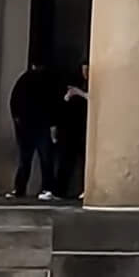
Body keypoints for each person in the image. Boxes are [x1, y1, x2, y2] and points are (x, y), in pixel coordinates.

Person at [7, 62, 56, 200]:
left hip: (27, 126)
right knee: (45, 159)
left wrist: (18, 120)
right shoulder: (48, 81)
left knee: (25, 159)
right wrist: (52, 125)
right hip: (41, 126)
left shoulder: (24, 80)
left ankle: (19, 189)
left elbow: (14, 102)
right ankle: (47, 189)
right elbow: (52, 104)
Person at [53, 64, 89, 200]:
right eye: (84, 69)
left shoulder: (90, 85)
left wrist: (78, 93)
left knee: (84, 160)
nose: (86, 72)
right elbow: (62, 106)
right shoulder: (73, 83)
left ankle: (87, 188)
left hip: (84, 128)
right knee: (66, 160)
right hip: (71, 129)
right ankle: (59, 190)